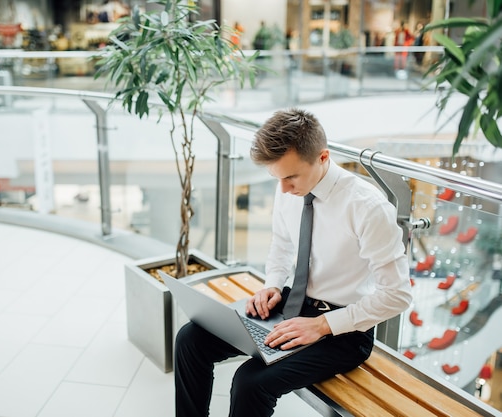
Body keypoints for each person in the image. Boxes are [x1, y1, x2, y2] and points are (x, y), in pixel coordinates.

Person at [174, 108, 413, 417]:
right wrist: (272, 284)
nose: (284, 188)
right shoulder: (287, 186)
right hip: (291, 305)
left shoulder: (367, 207)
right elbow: (283, 243)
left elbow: (398, 295)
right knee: (190, 339)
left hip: (343, 331)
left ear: (323, 157)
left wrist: (322, 325)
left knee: (250, 381)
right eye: (277, 177)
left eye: (290, 177)